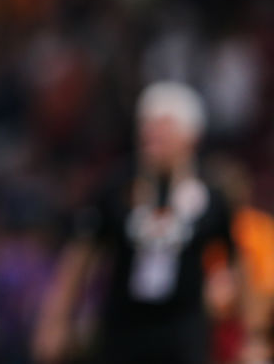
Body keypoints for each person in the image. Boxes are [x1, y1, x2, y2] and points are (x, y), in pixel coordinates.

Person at [33, 81, 238, 364]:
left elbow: (233, 259)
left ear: (189, 135)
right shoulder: (117, 187)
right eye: (147, 125)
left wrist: (227, 290)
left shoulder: (210, 196)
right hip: (124, 324)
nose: (150, 134)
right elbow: (80, 256)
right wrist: (56, 321)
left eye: (163, 126)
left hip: (183, 327)